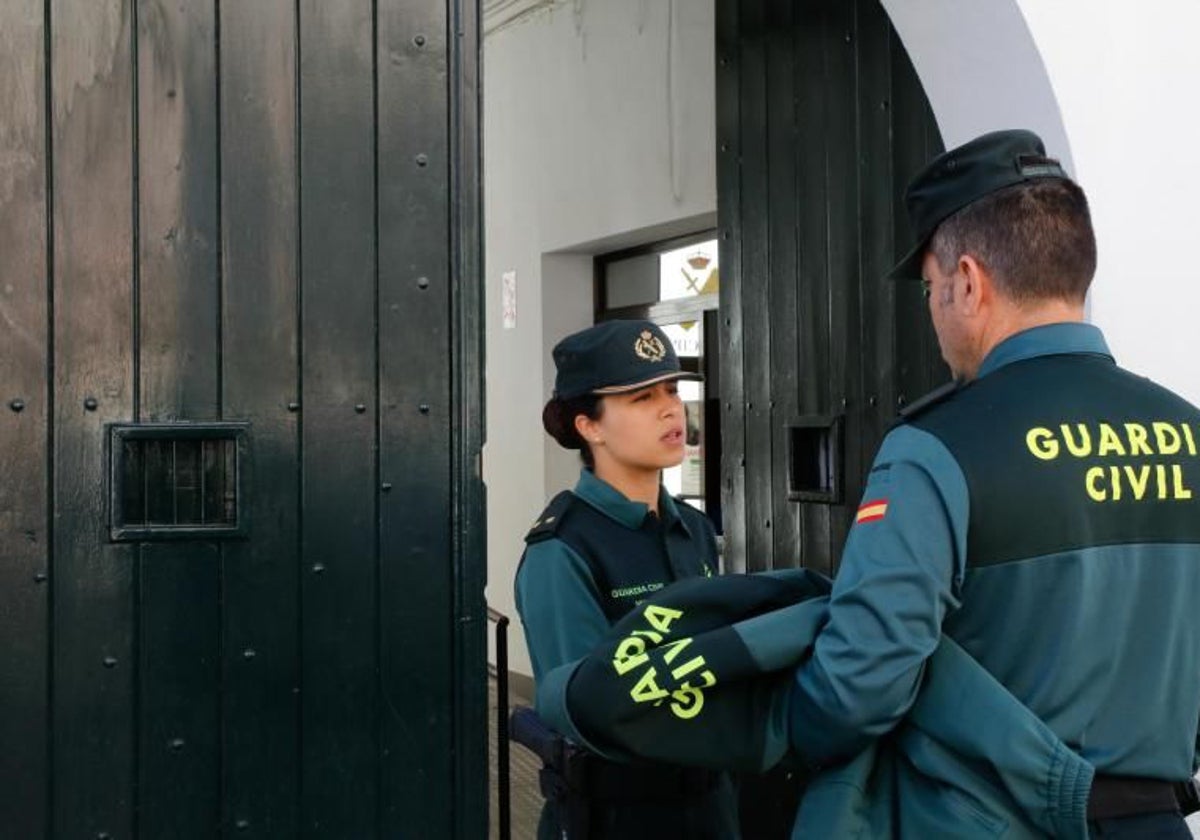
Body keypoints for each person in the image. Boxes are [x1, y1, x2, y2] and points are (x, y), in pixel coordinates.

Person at [787, 128, 1200, 838]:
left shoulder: (936, 448)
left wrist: (781, 730)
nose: (934, 314)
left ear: (969, 282)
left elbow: (861, 685)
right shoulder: (1188, 431)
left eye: (929, 289)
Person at [514, 319, 739, 839]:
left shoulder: (694, 529)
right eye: (641, 398)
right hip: (619, 818)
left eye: (673, 390)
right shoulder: (563, 550)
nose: (670, 409)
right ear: (588, 426)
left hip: (710, 808)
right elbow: (589, 710)